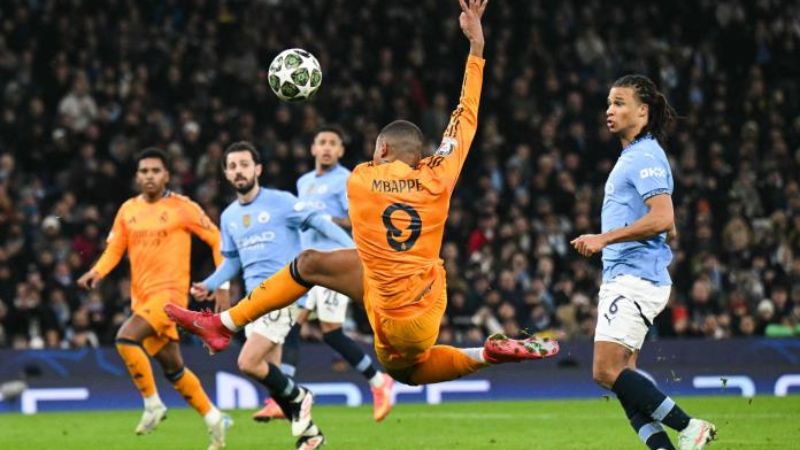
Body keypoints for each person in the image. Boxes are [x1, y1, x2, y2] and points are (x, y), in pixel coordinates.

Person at [167, 0, 558, 390]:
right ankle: (220, 324)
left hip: (393, 315)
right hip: (426, 296)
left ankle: (485, 354)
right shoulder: (440, 174)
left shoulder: (359, 179)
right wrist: (477, 49)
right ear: (419, 156)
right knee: (309, 262)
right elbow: (464, 116)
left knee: (403, 372)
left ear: (383, 150)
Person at [570, 75, 716, 450]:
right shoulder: (636, 156)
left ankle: (689, 426)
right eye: (608, 103)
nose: (609, 110)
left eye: (619, 102)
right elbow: (666, 220)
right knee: (623, 376)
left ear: (643, 111)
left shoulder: (645, 155)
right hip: (631, 275)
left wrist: (603, 238)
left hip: (634, 278)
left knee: (605, 370)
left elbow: (663, 216)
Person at [190, 141, 354, 449]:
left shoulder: (281, 201)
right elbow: (233, 261)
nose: (239, 171)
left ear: (258, 169)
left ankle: (303, 396)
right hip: (253, 302)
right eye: (233, 166)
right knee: (276, 379)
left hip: (283, 294)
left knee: (248, 362)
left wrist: (351, 250)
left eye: (244, 164)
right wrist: (210, 284)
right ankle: (311, 435)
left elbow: (318, 222)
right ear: (226, 173)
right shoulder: (228, 217)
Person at [77, 148, 231, 450]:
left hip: (168, 297)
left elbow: (217, 239)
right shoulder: (127, 210)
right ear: (137, 176)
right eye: (144, 171)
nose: (149, 176)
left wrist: (222, 282)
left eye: (155, 171)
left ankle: (152, 404)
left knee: (125, 338)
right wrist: (97, 271)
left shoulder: (183, 207)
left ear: (167, 176)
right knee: (174, 369)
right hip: (142, 300)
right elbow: (115, 248)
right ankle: (214, 419)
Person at [255, 126, 393, 424]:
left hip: (335, 263)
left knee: (329, 331)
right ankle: (284, 397)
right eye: (322, 142)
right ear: (313, 149)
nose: (327, 147)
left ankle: (379, 382)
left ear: (341, 151)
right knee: (292, 326)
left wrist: (330, 220)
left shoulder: (345, 180)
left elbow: (360, 220)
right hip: (306, 266)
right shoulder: (303, 182)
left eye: (333, 143)